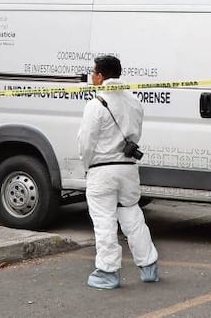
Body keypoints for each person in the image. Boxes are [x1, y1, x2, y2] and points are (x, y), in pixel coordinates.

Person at [78, 54, 160, 289]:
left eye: (93, 72)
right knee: (132, 216)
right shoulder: (134, 101)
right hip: (128, 169)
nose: (92, 76)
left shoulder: (95, 105)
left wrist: (87, 166)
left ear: (101, 76)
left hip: (102, 170)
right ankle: (149, 267)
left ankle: (108, 271)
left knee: (104, 220)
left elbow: (86, 143)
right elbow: (136, 133)